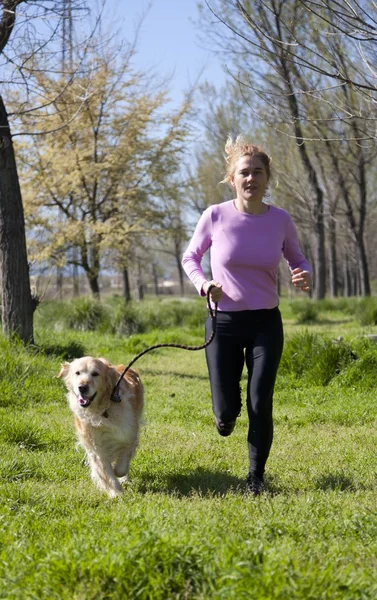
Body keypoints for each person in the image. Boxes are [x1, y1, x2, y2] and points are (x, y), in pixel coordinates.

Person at [181, 136, 312, 496]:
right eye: (244, 173)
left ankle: (255, 478)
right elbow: (190, 258)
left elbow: (297, 259)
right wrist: (204, 283)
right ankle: (227, 411)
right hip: (222, 322)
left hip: (265, 324)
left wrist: (304, 273)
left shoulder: (280, 220)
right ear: (232, 178)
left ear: (267, 177)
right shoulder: (215, 215)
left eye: (258, 172)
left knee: (260, 401)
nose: (251, 178)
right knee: (224, 417)